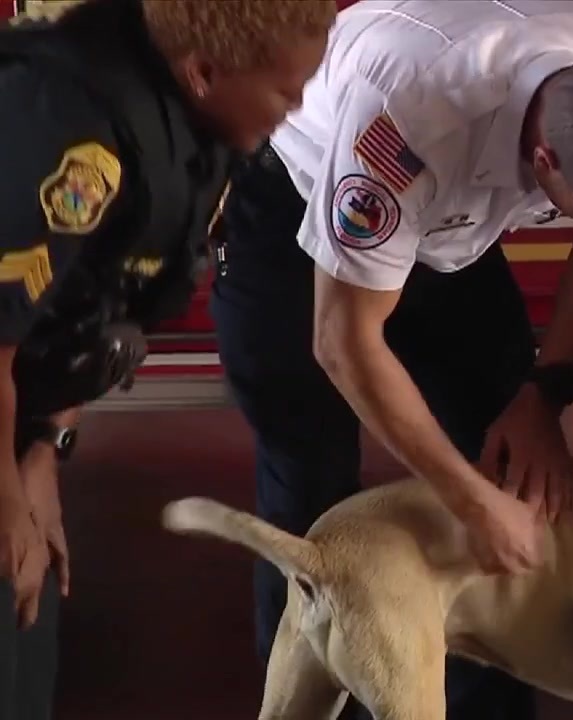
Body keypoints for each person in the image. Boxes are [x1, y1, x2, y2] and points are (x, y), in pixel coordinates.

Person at [207, 1, 573, 718]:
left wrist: (545, 390)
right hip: (300, 206)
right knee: (314, 496)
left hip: (447, 227)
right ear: (545, 162)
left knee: (509, 463)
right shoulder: (404, 124)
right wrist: (469, 500)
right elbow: (343, 341)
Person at [0, 0, 333, 717]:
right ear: (205, 70)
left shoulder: (199, 135)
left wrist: (42, 451)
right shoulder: (72, 132)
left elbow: (94, 315)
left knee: (26, 651)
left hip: (18, 414)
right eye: (286, 91)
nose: (299, 107)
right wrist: (8, 502)